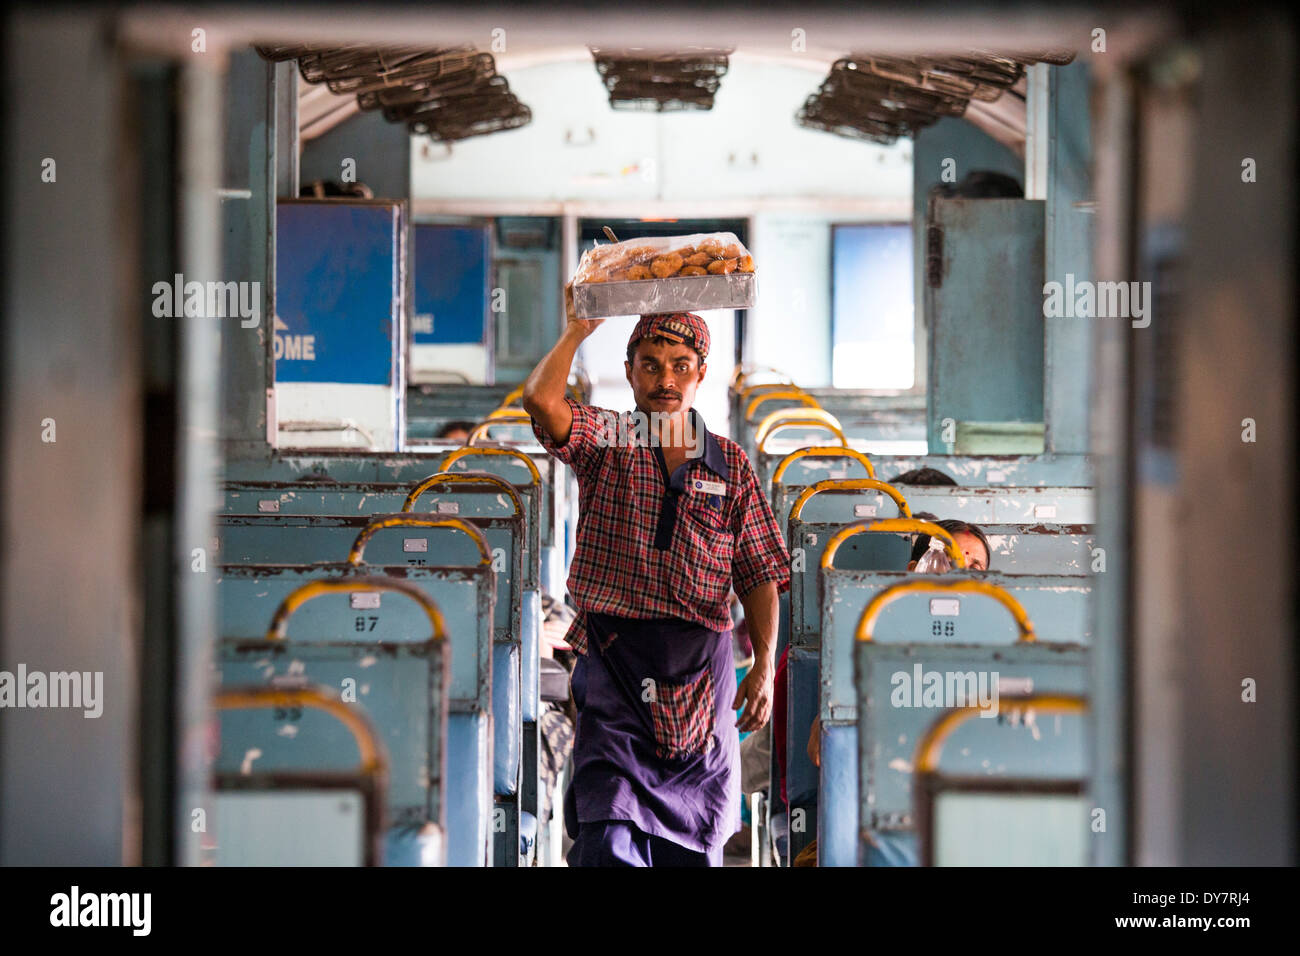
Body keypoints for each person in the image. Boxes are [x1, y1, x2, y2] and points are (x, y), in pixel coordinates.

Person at [522, 284, 790, 867]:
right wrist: (576, 331)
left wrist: (764, 666)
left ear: (700, 373)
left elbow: (759, 572)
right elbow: (542, 403)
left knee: (694, 842)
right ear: (630, 372)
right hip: (616, 664)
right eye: (650, 365)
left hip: (701, 672)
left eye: (680, 366)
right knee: (609, 826)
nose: (665, 378)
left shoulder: (730, 463)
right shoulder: (609, 440)